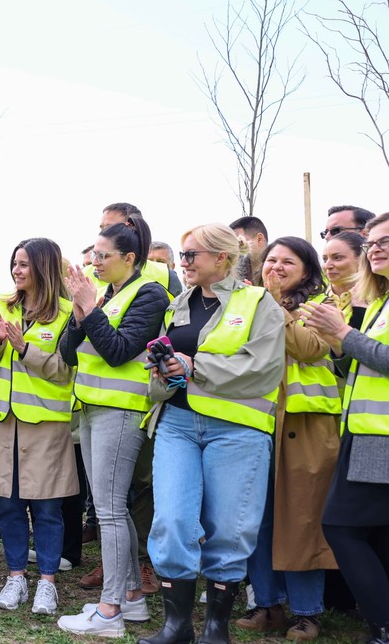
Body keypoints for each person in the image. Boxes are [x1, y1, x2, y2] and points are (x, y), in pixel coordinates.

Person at [142, 224, 285, 644]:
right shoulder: (178, 306)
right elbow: (169, 372)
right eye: (182, 255)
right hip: (177, 425)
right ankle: (176, 626)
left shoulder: (259, 303)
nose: (182, 263)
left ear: (222, 258)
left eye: (191, 255)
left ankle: (216, 628)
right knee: (170, 520)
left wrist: (194, 367)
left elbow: (263, 368)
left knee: (229, 528)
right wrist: (164, 371)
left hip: (237, 431)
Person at [56, 214, 168, 637]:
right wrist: (83, 307)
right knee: (110, 507)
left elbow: (119, 351)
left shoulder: (149, 294)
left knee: (109, 510)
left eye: (103, 256)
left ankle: (109, 611)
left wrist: (91, 309)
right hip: (90, 409)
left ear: (129, 257)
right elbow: (69, 351)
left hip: (121, 412)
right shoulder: (104, 292)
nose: (95, 263)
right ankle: (133, 600)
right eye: (94, 255)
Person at [233, 237, 340, 641]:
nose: (275, 267)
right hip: (256, 422)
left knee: (300, 520)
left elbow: (311, 348)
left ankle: (307, 612)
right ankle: (267, 604)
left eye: (287, 262)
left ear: (307, 271)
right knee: (256, 520)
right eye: (270, 260)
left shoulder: (323, 305)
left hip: (306, 428)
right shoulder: (247, 303)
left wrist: (275, 305)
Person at [0, 238, 77, 616]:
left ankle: (47, 582)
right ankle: (15, 576)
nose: (17, 271)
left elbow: (65, 372)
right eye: (15, 264)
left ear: (44, 268)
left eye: (25, 265)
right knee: (9, 505)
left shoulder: (67, 312)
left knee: (48, 508)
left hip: (45, 425)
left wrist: (24, 348)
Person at [301, 212, 389, 644]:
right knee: (378, 533)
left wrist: (344, 333)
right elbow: (358, 364)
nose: (376, 248)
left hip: (382, 437)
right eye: (372, 241)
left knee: (340, 527)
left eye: (385, 240)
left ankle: (383, 626)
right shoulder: (378, 302)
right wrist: (337, 342)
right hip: (365, 432)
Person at [323, 231, 366, 326]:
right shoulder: (313, 297)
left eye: (337, 258)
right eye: (325, 259)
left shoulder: (379, 297)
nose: (328, 265)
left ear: (361, 259)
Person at [230, 215, 270, 286]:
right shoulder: (234, 270)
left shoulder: (278, 268)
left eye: (240, 242)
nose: (234, 247)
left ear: (259, 239)